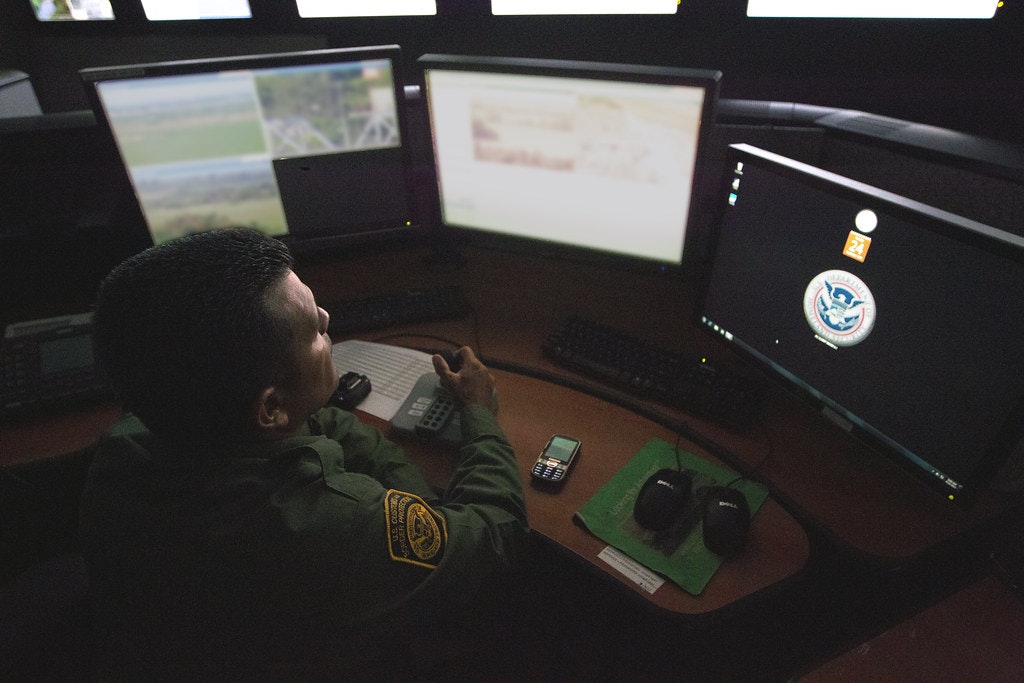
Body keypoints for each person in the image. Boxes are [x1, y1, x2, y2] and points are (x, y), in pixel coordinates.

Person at [79, 228, 528, 678]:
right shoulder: (333, 523)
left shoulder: (131, 439)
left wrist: (400, 489)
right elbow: (494, 536)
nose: (328, 319)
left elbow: (315, 421)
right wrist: (477, 414)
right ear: (271, 407)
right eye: (314, 329)